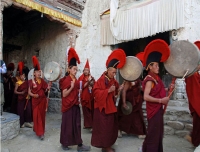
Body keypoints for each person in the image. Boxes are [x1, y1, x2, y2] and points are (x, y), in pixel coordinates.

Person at [91, 49, 126, 152]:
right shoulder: (101, 80)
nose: (114, 74)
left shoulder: (113, 81)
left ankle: (106, 145)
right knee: (104, 128)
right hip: (102, 109)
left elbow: (114, 94)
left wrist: (118, 90)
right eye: (113, 72)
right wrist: (107, 91)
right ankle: (106, 147)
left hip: (110, 107)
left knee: (110, 128)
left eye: (115, 73)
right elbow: (96, 93)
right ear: (108, 70)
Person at [141, 39, 170, 152]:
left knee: (157, 133)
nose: (158, 67)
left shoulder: (156, 78)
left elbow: (159, 89)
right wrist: (161, 101)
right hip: (153, 111)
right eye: (156, 65)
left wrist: (167, 89)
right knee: (153, 134)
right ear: (150, 67)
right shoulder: (149, 80)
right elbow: (146, 97)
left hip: (157, 110)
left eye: (158, 65)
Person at [59, 48, 91, 151]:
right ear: (69, 69)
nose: (76, 71)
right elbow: (64, 94)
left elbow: (76, 91)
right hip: (68, 106)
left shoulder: (76, 80)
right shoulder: (66, 80)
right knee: (67, 125)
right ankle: (65, 143)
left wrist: (78, 92)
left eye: (77, 69)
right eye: (74, 69)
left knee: (77, 125)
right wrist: (72, 87)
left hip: (75, 104)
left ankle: (79, 145)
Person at [118, 52, 146, 138]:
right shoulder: (129, 78)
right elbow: (124, 91)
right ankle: (119, 129)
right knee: (125, 117)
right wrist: (124, 103)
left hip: (136, 101)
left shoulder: (138, 78)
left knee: (137, 117)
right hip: (129, 101)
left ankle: (139, 132)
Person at [28, 56, 51, 140]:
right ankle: (40, 133)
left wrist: (48, 87)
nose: (38, 73)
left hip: (42, 101)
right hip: (35, 101)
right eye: (36, 72)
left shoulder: (43, 81)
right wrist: (33, 95)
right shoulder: (31, 81)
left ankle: (39, 130)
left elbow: (46, 89)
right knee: (37, 117)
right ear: (34, 73)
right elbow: (29, 92)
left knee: (42, 117)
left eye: (39, 71)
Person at [185, 40, 200, 152]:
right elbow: (195, 91)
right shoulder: (192, 74)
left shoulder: (195, 73)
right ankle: (195, 141)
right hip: (197, 102)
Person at [14, 62, 32, 128]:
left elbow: (29, 89)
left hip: (27, 98)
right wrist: (21, 93)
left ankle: (27, 122)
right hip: (21, 99)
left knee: (28, 110)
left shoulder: (26, 82)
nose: (22, 77)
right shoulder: (17, 83)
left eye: (23, 75)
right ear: (19, 76)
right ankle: (21, 123)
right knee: (21, 111)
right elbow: (15, 91)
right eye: (21, 76)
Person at [78, 59, 95, 129]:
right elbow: (81, 86)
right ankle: (87, 124)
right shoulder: (81, 78)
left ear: (89, 71)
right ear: (83, 71)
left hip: (91, 96)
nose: (86, 71)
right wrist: (88, 82)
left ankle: (92, 125)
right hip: (84, 97)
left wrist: (92, 83)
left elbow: (95, 85)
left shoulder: (92, 77)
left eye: (87, 70)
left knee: (91, 111)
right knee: (85, 112)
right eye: (85, 70)